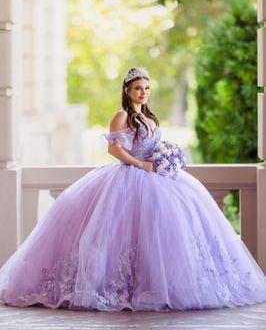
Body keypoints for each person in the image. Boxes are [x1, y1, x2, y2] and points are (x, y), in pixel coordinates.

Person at [0, 67, 266, 312]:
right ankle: (118, 288)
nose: (144, 93)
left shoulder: (148, 116)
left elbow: (151, 144)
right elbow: (114, 149)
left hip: (157, 177)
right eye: (138, 88)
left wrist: (165, 157)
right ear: (127, 90)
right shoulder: (122, 115)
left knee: (166, 231)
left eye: (147, 88)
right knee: (119, 232)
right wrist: (141, 164)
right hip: (130, 176)